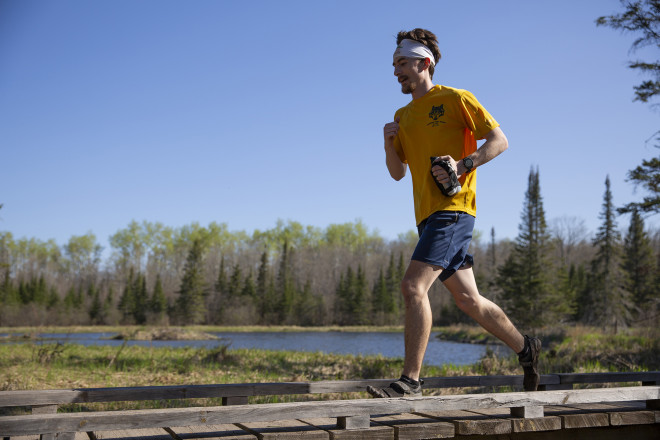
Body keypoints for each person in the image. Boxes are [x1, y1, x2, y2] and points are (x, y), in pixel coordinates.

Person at [366, 28, 541, 398]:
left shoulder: (456, 99)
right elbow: (398, 173)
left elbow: (499, 141)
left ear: (424, 63)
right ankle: (526, 348)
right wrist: (388, 144)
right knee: (469, 301)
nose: (396, 71)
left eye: (402, 63)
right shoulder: (402, 116)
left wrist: (463, 165)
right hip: (427, 216)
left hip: (454, 210)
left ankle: (410, 381)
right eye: (393, 64)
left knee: (413, 286)